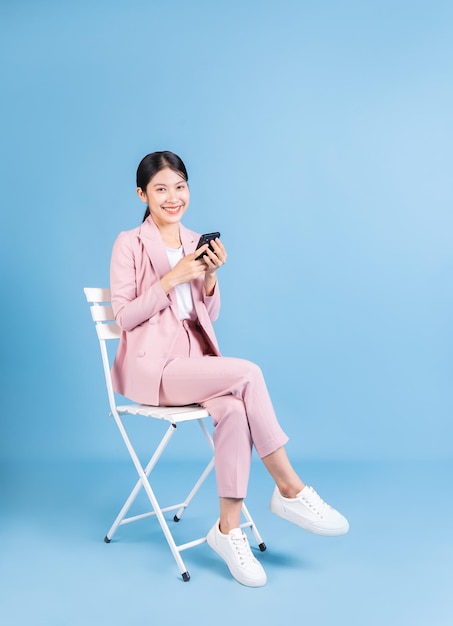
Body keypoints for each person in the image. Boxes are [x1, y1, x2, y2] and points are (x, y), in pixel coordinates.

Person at [110, 150, 349, 587]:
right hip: (157, 370)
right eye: (161, 189)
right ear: (142, 194)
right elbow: (123, 317)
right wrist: (172, 277)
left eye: (179, 186)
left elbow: (208, 314)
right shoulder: (130, 242)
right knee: (249, 372)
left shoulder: (194, 238)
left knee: (236, 412)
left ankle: (228, 532)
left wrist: (209, 279)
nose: (172, 197)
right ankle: (290, 490)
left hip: (197, 362)